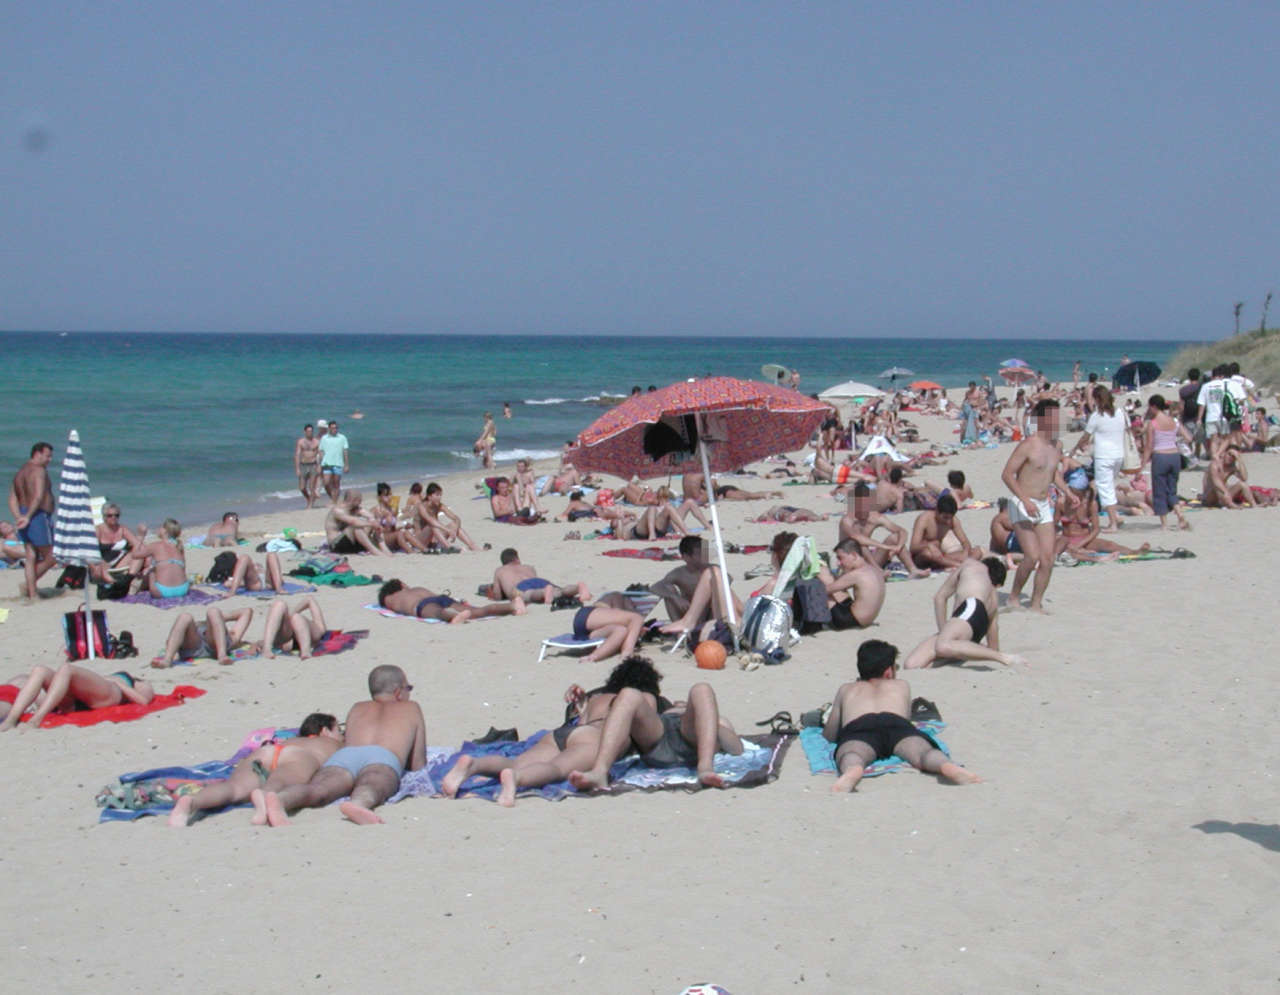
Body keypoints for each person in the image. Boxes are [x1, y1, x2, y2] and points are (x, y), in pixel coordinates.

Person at [440, 657, 669, 806]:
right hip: (594, 737)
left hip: (564, 733)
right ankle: (516, 780)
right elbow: (654, 728)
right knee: (556, 768)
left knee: (517, 761)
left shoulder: (597, 695)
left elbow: (573, 716)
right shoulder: (643, 698)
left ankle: (474, 765)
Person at [261, 665, 427, 826]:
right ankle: (358, 804)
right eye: (409, 688)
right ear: (398, 692)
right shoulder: (411, 708)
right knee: (372, 784)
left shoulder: (357, 707)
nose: (409, 693)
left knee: (318, 789)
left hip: (346, 755)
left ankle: (281, 799)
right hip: (383, 757)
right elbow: (418, 763)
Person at [823, 639, 981, 792]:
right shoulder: (901, 685)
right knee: (923, 753)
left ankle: (853, 770)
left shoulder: (847, 689)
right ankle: (945, 765)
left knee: (852, 754)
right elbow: (906, 721)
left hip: (860, 726)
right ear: (889, 672)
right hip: (896, 724)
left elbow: (830, 734)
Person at [568, 659, 743, 791]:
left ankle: (705, 768)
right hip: (657, 737)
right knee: (629, 694)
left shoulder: (709, 719)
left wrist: (701, 720)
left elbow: (737, 748)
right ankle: (600, 771)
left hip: (689, 737)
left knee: (702, 688)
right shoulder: (659, 704)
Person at [167, 713, 343, 826]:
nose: (341, 734)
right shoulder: (333, 743)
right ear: (326, 730)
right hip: (299, 756)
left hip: (267, 751)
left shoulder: (290, 740)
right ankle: (264, 796)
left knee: (234, 787)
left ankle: (191, 802)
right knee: (280, 781)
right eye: (338, 729)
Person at [902, 557, 1026, 669]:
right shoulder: (993, 599)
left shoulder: (971, 564)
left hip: (971, 607)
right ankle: (962, 653)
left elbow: (940, 597)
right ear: (997, 583)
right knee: (912, 665)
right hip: (975, 629)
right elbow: (993, 643)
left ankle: (1004, 658)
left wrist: (942, 631)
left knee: (942, 645)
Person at [1001, 399, 1063, 613]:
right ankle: (1014, 597)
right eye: (1054, 417)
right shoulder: (1028, 444)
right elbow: (1007, 475)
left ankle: (1036, 603)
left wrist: (1069, 491)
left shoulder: (1057, 445)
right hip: (1021, 502)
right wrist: (1025, 501)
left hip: (1044, 504)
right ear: (1043, 419)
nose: (1058, 421)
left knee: (1048, 558)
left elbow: (1052, 473)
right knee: (1032, 556)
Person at [0, 664, 155, 731]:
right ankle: (11, 720)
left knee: (67, 669)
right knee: (40, 670)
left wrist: (119, 683)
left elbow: (143, 701)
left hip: (111, 694)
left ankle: (37, 718)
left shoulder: (140, 683)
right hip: (79, 698)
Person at [1055, 468, 1151, 560]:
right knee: (1061, 546)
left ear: (1084, 493)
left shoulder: (1090, 504)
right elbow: (1053, 526)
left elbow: (1096, 529)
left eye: (1076, 493)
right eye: (1071, 492)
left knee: (1109, 545)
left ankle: (1133, 552)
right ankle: (1078, 551)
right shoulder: (1061, 503)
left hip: (1085, 539)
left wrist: (1079, 545)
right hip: (1067, 539)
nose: (1073, 496)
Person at [1069, 385, 1129, 532]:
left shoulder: (1097, 416)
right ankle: (1115, 517)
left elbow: (1086, 436)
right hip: (1118, 455)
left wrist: (1075, 448)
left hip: (1104, 456)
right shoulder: (1121, 412)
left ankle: (1113, 523)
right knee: (1109, 486)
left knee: (1105, 488)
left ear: (1096, 399)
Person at [837, 483, 929, 578]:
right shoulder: (847, 520)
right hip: (849, 561)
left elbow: (902, 531)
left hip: (869, 561)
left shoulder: (874, 517)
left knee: (895, 538)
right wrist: (885, 547)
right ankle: (878, 571)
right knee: (860, 544)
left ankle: (913, 570)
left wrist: (898, 546)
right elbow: (857, 539)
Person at [8, 441, 56, 600]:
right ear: (38, 453)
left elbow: (12, 499)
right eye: (48, 455)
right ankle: (29, 585)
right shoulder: (38, 471)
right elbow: (38, 496)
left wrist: (19, 517)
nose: (50, 459)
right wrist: (28, 517)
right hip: (38, 516)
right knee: (53, 555)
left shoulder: (20, 472)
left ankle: (33, 593)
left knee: (30, 555)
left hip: (25, 514)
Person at [1141, 395, 1192, 531]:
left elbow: (1149, 446)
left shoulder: (1153, 423)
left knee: (1159, 491)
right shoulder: (1174, 421)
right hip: (1174, 455)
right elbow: (1188, 437)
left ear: (1153, 407)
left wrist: (1142, 465)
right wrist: (1175, 441)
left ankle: (1164, 524)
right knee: (1171, 490)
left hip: (1160, 456)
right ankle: (1180, 514)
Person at [377, 578, 526, 622]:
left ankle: (454, 616)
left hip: (421, 605)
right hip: (440, 597)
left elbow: (390, 607)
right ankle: (512, 606)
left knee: (439, 613)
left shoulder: (389, 598)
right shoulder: (417, 588)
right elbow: (435, 595)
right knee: (478, 611)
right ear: (402, 585)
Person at [154, 605, 256, 667]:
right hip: (196, 643)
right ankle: (167, 660)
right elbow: (246, 611)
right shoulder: (222, 629)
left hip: (213, 646)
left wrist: (217, 619)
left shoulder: (233, 636)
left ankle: (222, 655)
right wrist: (217, 621)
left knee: (213, 611)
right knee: (185, 617)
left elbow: (247, 612)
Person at [819, 538, 886, 629]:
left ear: (854, 555)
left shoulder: (856, 574)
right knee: (835, 586)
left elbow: (826, 591)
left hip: (848, 621)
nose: (839, 563)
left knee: (823, 575)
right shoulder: (873, 570)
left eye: (840, 558)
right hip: (867, 620)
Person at [491, 548, 590, 606]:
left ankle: (544, 592)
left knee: (530, 594)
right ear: (516, 558)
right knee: (559, 591)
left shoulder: (500, 570)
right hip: (539, 581)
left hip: (520, 586)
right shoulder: (528, 567)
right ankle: (578, 588)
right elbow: (535, 583)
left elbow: (497, 595)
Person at [908, 494, 976, 570]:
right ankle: (958, 565)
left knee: (977, 551)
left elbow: (965, 541)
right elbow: (913, 547)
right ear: (937, 511)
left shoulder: (953, 520)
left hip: (942, 555)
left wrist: (966, 551)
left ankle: (948, 564)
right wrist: (929, 545)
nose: (948, 521)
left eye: (950, 518)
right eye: (945, 517)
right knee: (927, 554)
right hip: (923, 556)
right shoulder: (924, 519)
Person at [132, 518, 190, 599]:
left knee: (151, 570)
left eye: (160, 527)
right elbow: (183, 568)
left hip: (162, 592)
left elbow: (134, 555)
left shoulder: (155, 546)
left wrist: (141, 536)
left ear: (165, 531)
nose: (158, 529)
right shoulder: (179, 546)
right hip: (183, 589)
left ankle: (139, 590)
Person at [89, 503, 145, 585]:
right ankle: (116, 582)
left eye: (116, 515)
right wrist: (94, 568)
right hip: (101, 566)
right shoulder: (98, 530)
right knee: (100, 562)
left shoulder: (122, 529)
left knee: (140, 553)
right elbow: (89, 552)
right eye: (110, 515)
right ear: (104, 516)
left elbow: (138, 545)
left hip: (118, 565)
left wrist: (141, 536)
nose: (113, 518)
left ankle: (128, 579)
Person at [416, 482, 481, 551]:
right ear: (429, 497)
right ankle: (449, 547)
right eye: (437, 495)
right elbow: (430, 520)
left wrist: (454, 530)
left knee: (453, 524)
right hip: (421, 541)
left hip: (435, 541)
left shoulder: (440, 506)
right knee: (432, 525)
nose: (439, 497)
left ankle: (472, 546)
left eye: (440, 495)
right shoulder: (421, 506)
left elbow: (456, 518)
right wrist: (448, 530)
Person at [260, 596, 331, 658]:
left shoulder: (319, 629)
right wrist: (291, 614)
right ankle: (267, 647)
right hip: (288, 638)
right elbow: (309, 599)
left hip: (291, 640)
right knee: (279, 604)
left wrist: (292, 614)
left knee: (296, 617)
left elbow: (309, 599)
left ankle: (305, 651)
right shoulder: (318, 627)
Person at [325, 490, 392, 556]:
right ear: (354, 500)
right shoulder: (338, 510)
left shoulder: (354, 509)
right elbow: (353, 521)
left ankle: (384, 548)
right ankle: (374, 550)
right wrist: (371, 523)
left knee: (371, 523)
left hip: (351, 544)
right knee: (356, 527)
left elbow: (370, 515)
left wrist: (374, 521)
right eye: (359, 501)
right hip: (336, 545)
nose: (360, 503)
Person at [318, 420, 349, 504]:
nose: (334, 430)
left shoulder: (342, 437)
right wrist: (321, 461)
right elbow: (321, 450)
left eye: (336, 428)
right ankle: (333, 498)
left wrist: (346, 465)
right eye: (332, 428)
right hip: (327, 463)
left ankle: (334, 501)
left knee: (336, 483)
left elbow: (345, 451)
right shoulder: (324, 438)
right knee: (326, 483)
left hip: (338, 463)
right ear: (329, 429)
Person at [294, 423, 321, 508]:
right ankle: (309, 498)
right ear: (305, 432)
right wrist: (297, 468)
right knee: (302, 488)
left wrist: (319, 465)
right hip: (303, 465)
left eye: (311, 431)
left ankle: (310, 505)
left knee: (312, 487)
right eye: (308, 431)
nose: (310, 433)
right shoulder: (301, 442)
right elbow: (297, 455)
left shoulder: (316, 442)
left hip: (313, 465)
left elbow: (320, 454)